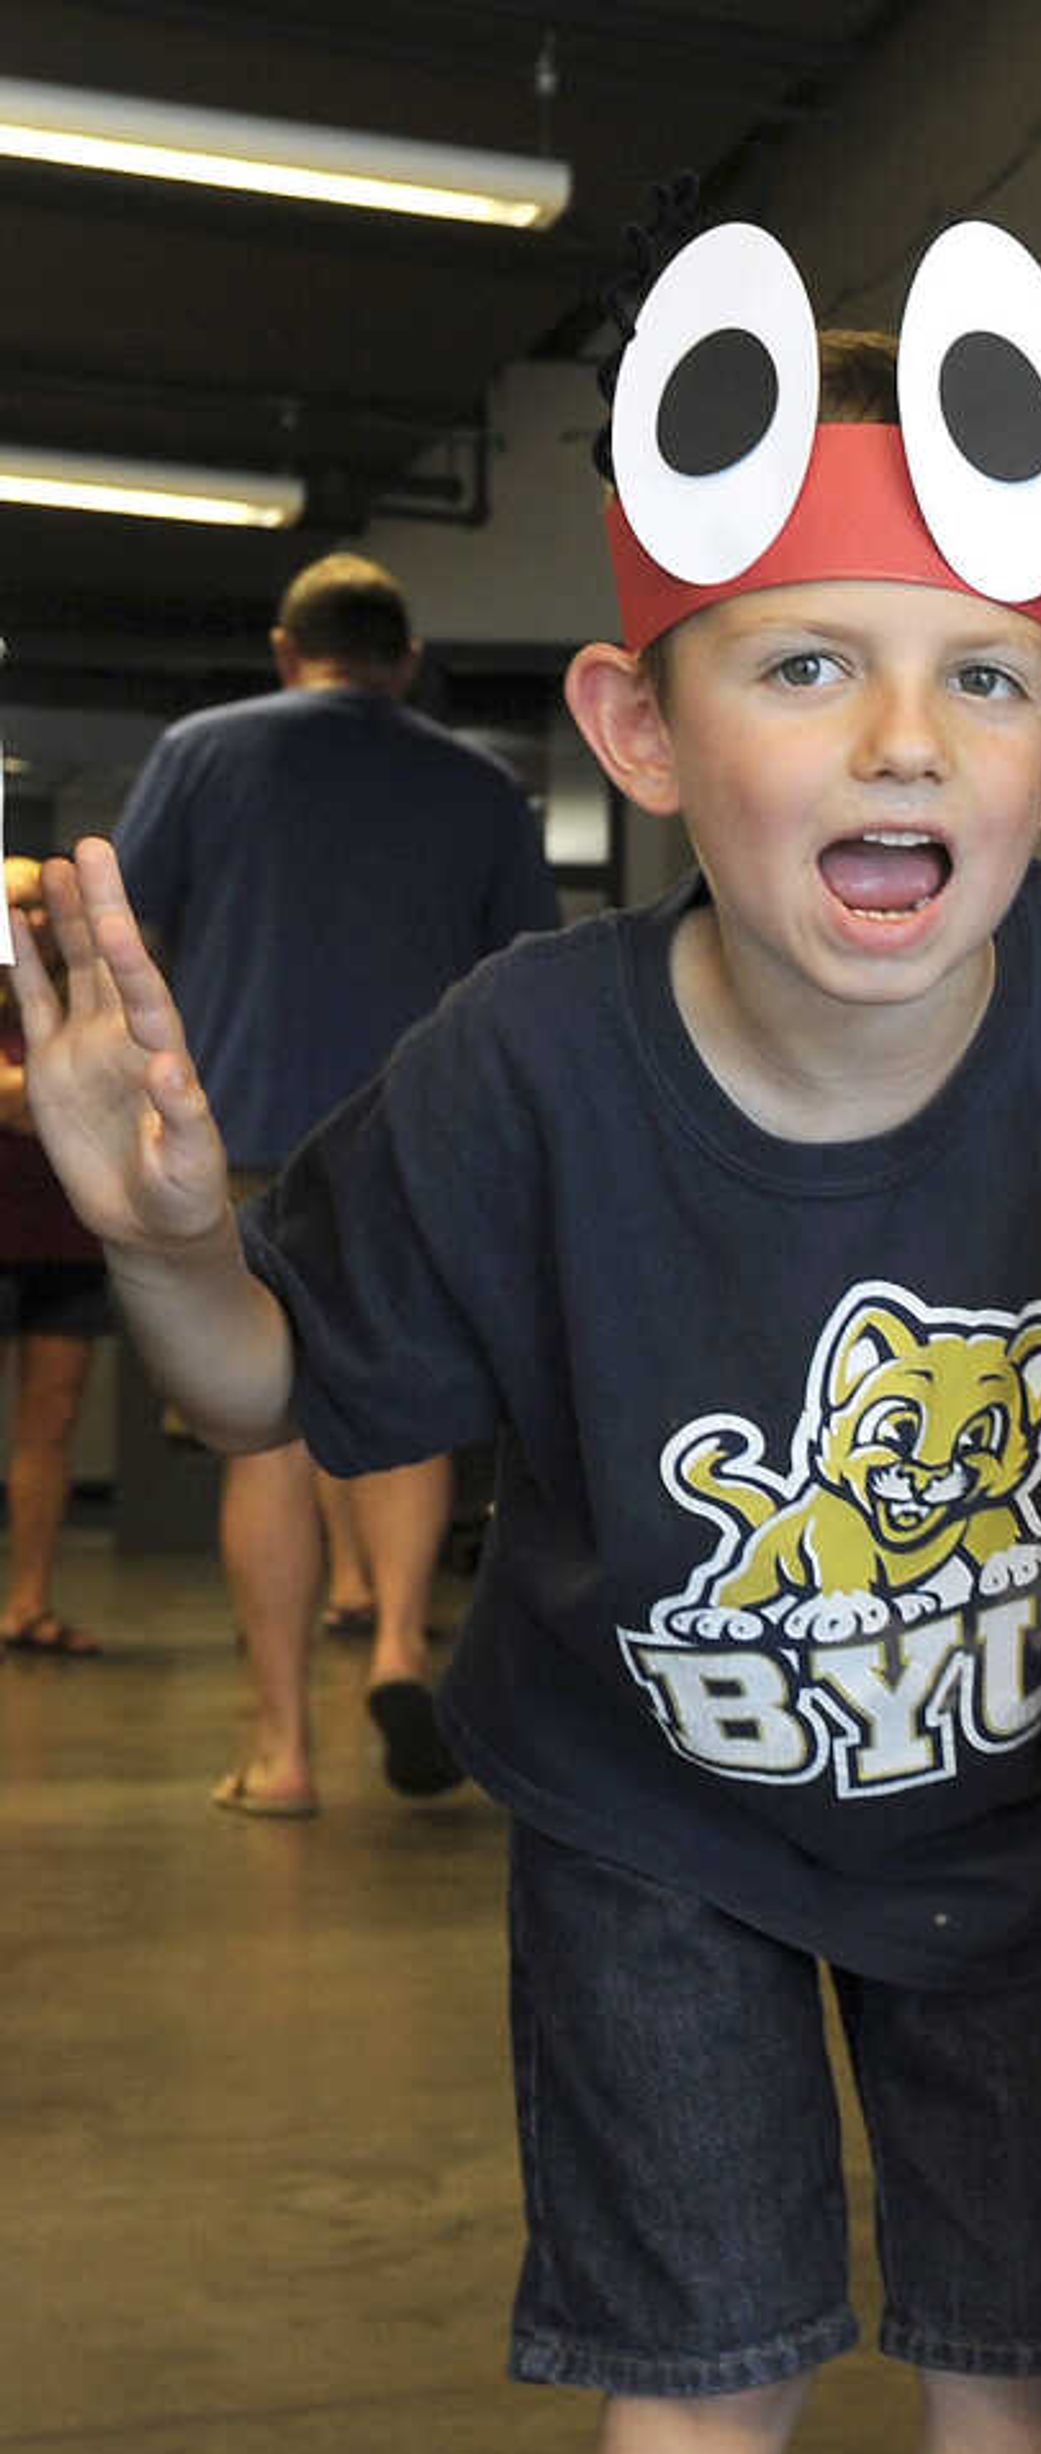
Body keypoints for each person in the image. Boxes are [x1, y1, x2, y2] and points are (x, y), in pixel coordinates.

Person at [19, 219, 1041, 2454]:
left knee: (1002, 2359)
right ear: (632, 725)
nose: (896, 739)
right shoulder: (521, 1063)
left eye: (974, 678)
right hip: (651, 1827)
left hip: (1014, 1816)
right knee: (704, 2379)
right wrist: (178, 1236)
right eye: (803, 664)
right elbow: (273, 1398)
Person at [109, 551, 560, 1809]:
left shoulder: (203, 750)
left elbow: (129, 943)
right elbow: (525, 969)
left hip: (241, 1130)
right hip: (414, 1137)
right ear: (405, 662)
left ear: (283, 647)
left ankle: (281, 1751)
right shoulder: (476, 783)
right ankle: (405, 1645)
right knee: (399, 1406)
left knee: (268, 1432)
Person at [1, 855, 112, 1657]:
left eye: (42, 906)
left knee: (52, 1423)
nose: (31, 921)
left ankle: (28, 1603)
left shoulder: (89, 999)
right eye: (16, 907)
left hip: (66, 1242)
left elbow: (105, 1097)